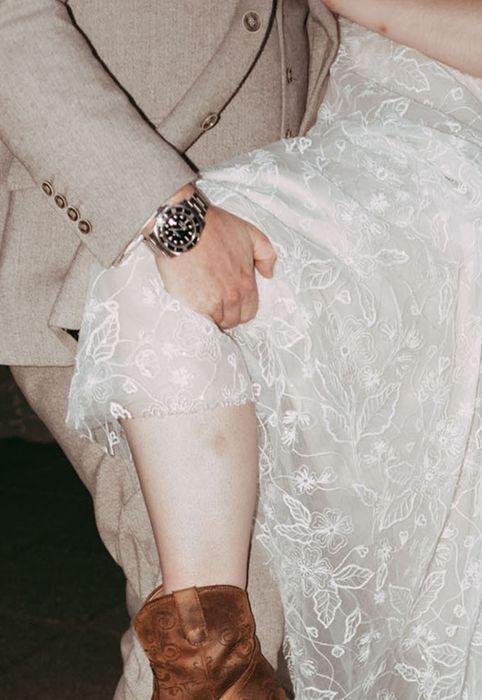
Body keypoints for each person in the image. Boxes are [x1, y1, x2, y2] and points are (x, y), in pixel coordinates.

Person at [66, 0, 482, 697]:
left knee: (452, 569)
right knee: (165, 283)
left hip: (459, 178)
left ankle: (210, 675)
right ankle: (213, 674)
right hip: (329, 145)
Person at [0, 1, 337, 697]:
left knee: (247, 622)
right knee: (217, 636)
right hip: (106, 253)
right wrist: (165, 210)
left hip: (269, 265)